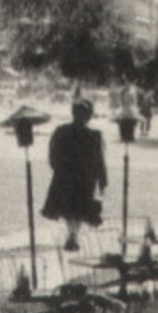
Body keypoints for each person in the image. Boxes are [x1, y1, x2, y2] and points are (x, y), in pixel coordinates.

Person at [42, 99, 108, 251]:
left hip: (65, 176)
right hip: (85, 179)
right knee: (80, 208)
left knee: (67, 208)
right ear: (89, 116)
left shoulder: (61, 131)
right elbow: (99, 161)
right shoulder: (94, 135)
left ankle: (72, 234)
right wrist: (102, 181)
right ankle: (73, 235)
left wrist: (59, 170)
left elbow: (52, 155)